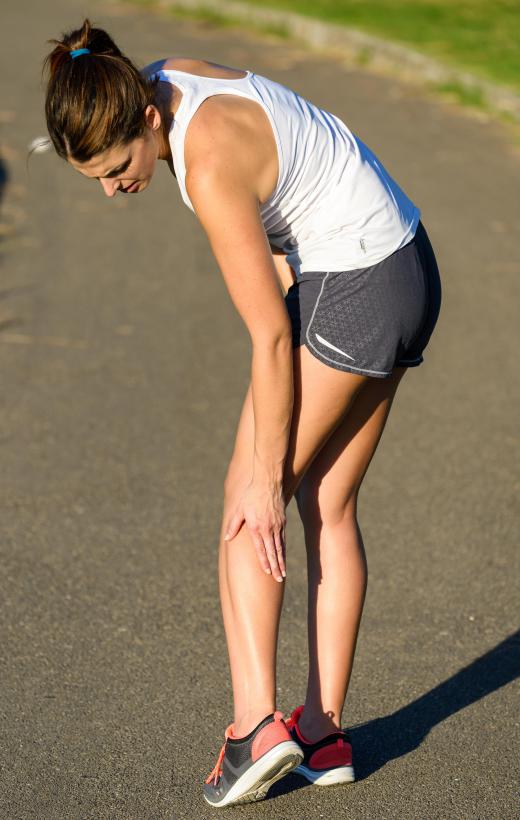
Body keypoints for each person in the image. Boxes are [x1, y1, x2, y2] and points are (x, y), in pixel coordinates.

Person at [43, 18, 442, 809]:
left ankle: (255, 729)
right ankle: (324, 735)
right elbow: (296, 168)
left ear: (147, 122)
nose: (112, 188)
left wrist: (260, 479)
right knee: (328, 503)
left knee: (243, 512)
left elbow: (267, 333)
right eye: (91, 176)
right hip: (406, 261)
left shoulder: (208, 159)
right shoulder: (161, 76)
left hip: (356, 282)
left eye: (118, 167)